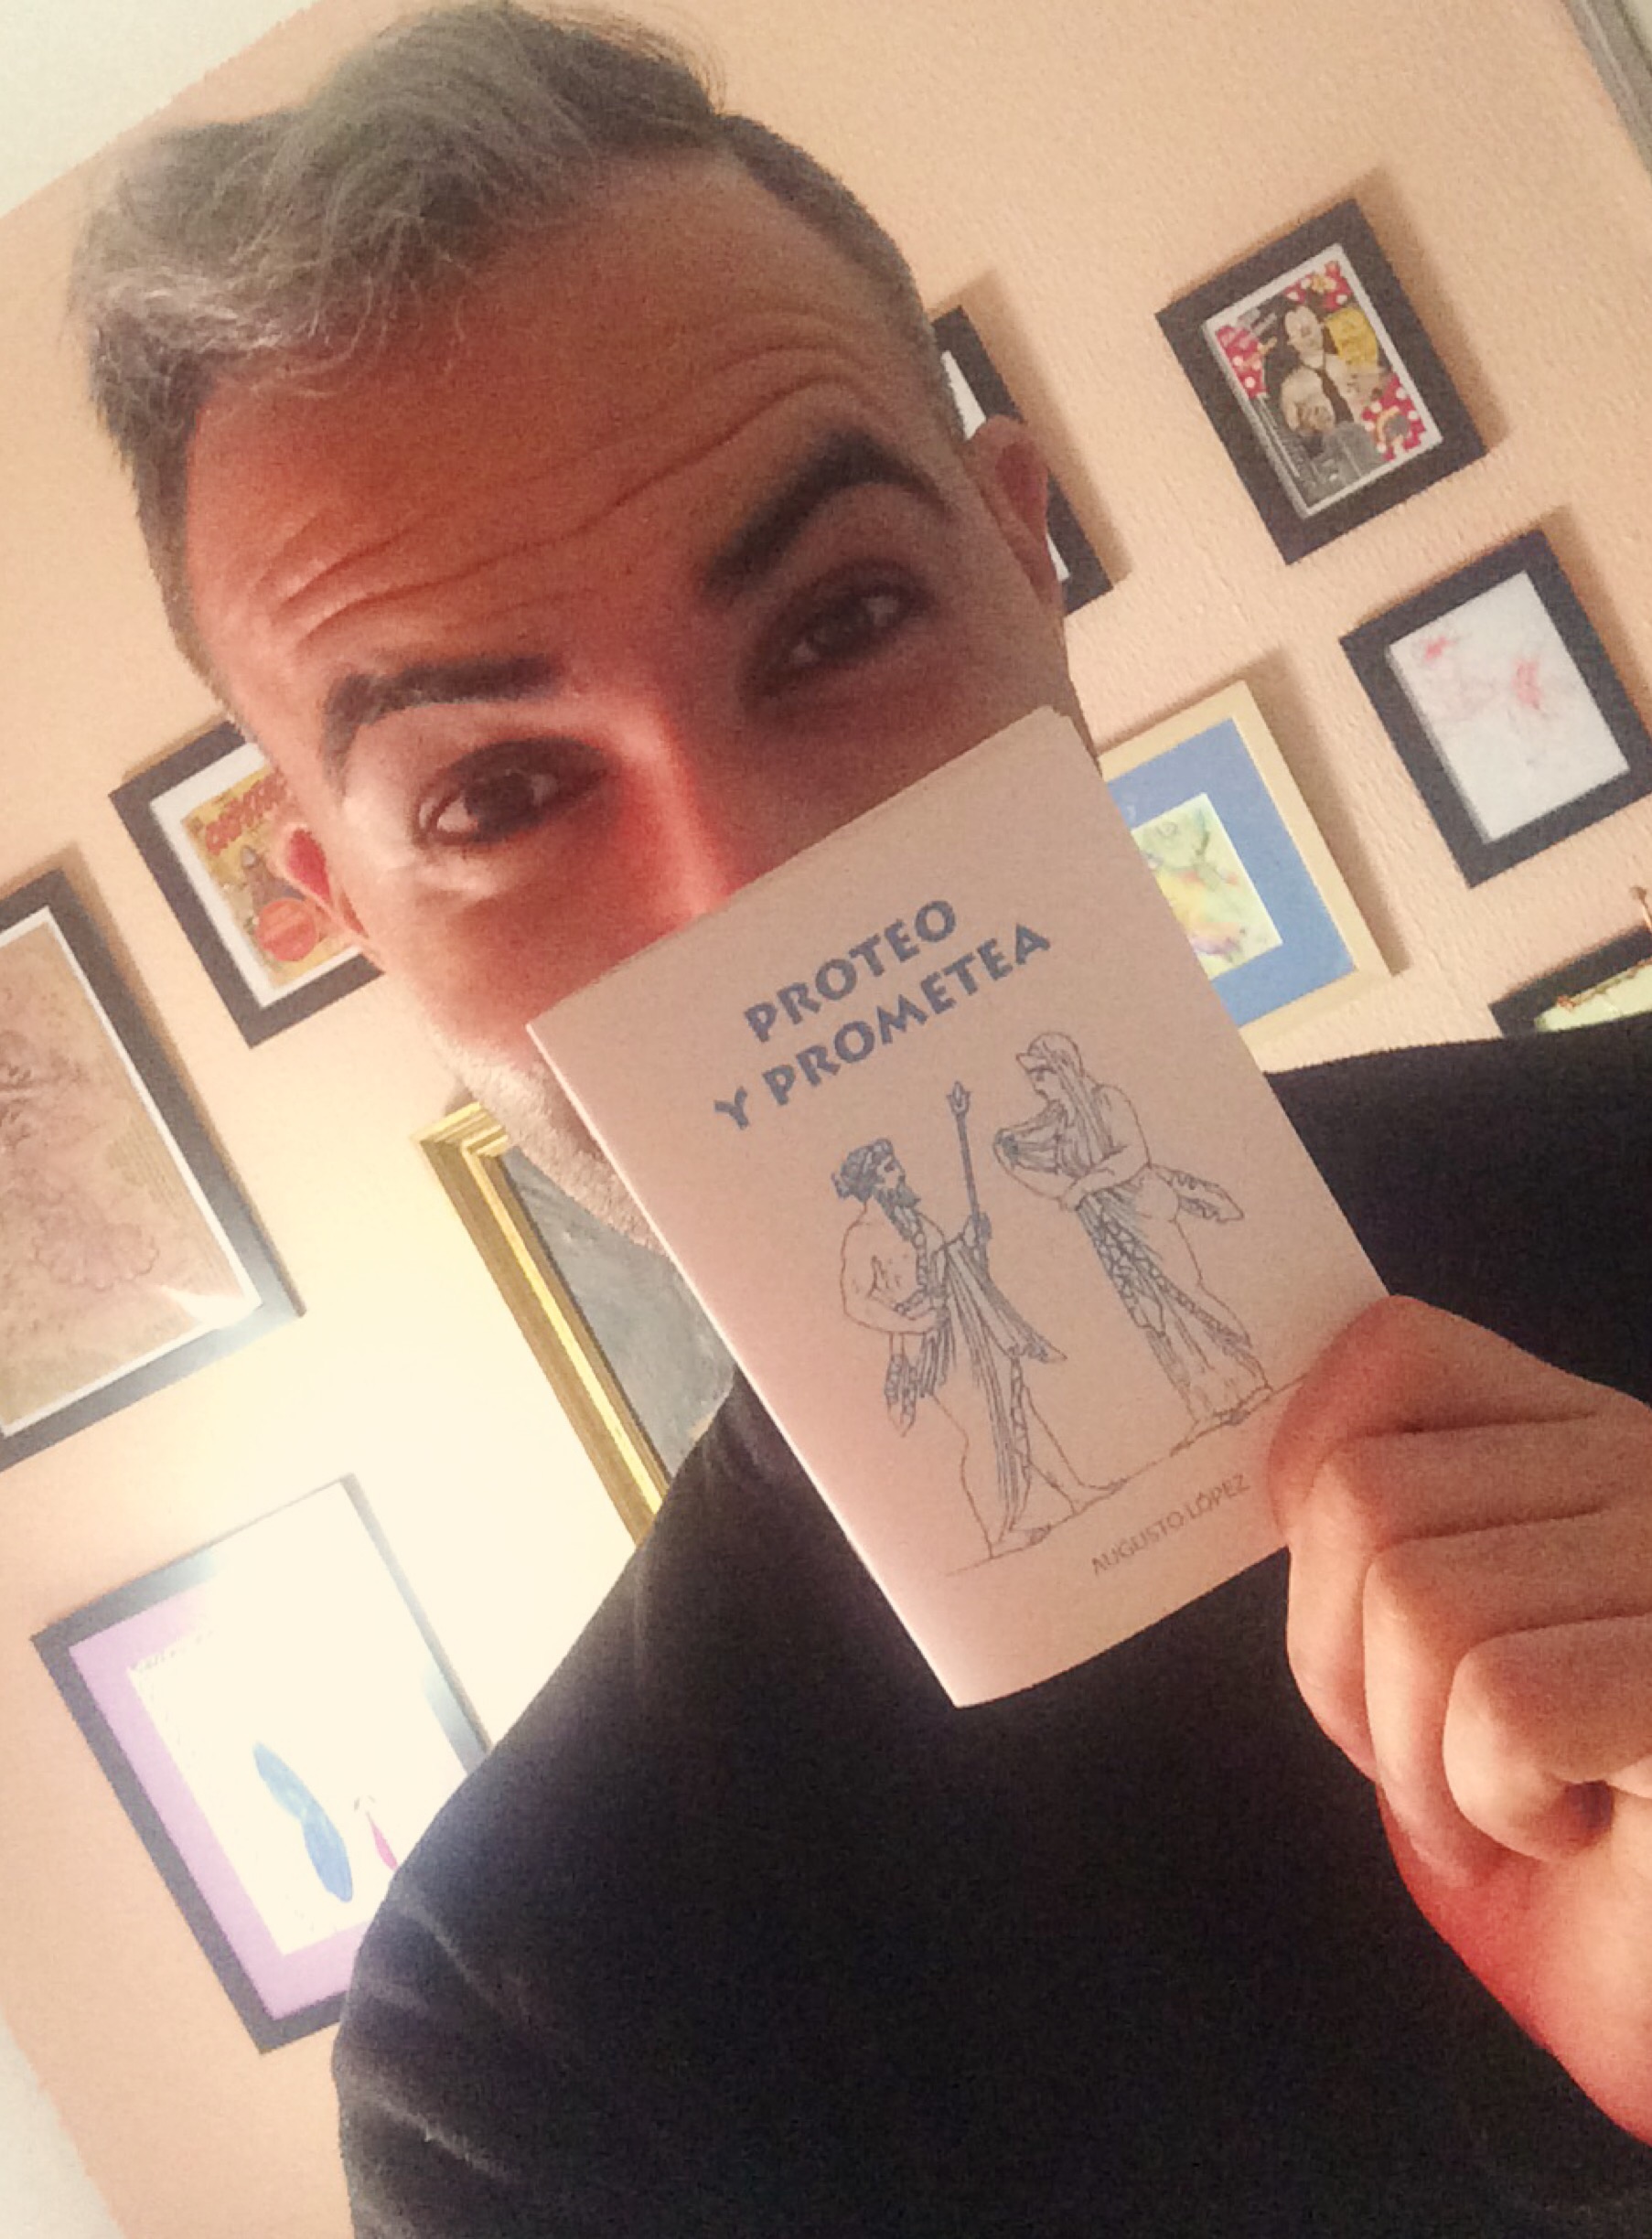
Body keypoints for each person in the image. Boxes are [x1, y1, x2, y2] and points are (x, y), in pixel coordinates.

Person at [69, 6, 1652, 2229]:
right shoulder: (534, 2047)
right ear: (354, 921)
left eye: (844, 622)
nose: (748, 891)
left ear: (1027, 564)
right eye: (502, 795)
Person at [832, 1133, 1104, 1557]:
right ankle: (997, 1532)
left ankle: (1073, 1491)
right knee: (982, 1429)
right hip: (929, 1343)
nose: (900, 1173)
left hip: (966, 1322)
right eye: (890, 1169)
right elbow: (856, 1302)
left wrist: (970, 1242)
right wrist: (911, 1323)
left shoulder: (913, 1220)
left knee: (1016, 1406)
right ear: (873, 1184)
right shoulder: (862, 1238)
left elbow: (946, 1264)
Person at [992, 1031, 1267, 1436]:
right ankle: (1207, 1401)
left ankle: (1247, 1378)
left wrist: (1085, 1185)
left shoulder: (1106, 1100)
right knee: (1150, 1311)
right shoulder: (1059, 1124)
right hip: (1108, 1228)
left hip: (1142, 1211)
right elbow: (1039, 1166)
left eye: (1041, 1074)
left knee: (1183, 1292)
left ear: (1063, 1069)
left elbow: (1133, 1154)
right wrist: (1009, 1157)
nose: (1036, 1085)